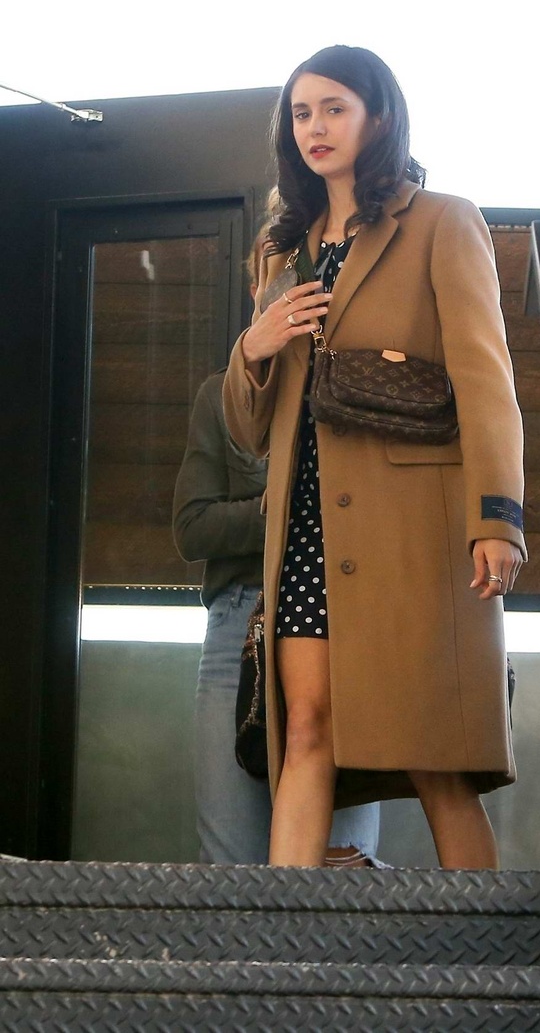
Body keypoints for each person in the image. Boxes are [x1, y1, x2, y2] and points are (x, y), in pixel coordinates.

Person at [223, 44, 526, 870]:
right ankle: (284, 938)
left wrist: (497, 518)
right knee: (305, 730)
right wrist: (253, 347)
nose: (315, 127)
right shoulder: (280, 252)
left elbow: (485, 380)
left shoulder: (442, 221)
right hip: (307, 526)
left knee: (435, 756)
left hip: (414, 529)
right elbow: (249, 431)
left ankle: (489, 942)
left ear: (379, 116)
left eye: (335, 108)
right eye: (301, 112)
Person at [172, 229, 381, 866]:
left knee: (344, 860)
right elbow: (192, 527)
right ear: (256, 293)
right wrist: (285, 509)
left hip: (344, 615)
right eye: (278, 279)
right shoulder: (221, 394)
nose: (293, 292)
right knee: (230, 855)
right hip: (241, 616)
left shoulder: (361, 386)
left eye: (305, 278)